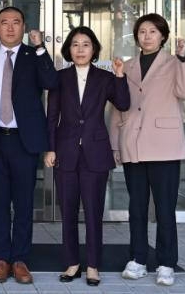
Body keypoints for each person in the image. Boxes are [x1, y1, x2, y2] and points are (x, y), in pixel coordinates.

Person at [110, 14, 185, 287]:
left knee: (165, 209)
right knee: (136, 207)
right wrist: (114, 144)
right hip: (132, 144)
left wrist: (182, 58)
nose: (147, 36)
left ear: (163, 36)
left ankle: (166, 263)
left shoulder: (175, 63)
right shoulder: (127, 66)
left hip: (164, 146)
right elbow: (118, 107)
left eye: (153, 31)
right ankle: (137, 259)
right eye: (142, 31)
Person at [44, 26, 130, 286]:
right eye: (75, 44)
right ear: (68, 50)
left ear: (94, 50)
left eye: (86, 45)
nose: (80, 49)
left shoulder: (105, 78)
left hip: (95, 152)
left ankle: (93, 266)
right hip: (65, 151)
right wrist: (50, 148)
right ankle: (72, 263)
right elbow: (52, 116)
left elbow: (124, 103)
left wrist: (119, 76)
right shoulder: (59, 78)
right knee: (68, 212)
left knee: (93, 212)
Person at [0, 6, 58, 284]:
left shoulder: (33, 56)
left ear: (24, 27)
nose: (10, 27)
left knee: (24, 204)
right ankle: (2, 259)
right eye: (5, 22)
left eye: (16, 22)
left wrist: (40, 48)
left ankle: (20, 259)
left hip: (24, 142)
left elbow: (51, 81)